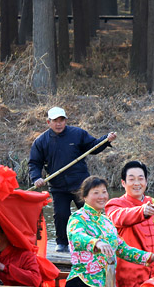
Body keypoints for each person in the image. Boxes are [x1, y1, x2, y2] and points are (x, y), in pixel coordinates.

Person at [66, 175, 154, 287]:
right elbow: (76, 236)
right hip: (83, 282)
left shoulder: (106, 221)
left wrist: (151, 257)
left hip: (106, 284)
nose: (101, 196)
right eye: (96, 193)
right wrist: (97, 243)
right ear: (84, 196)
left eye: (104, 192)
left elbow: (122, 248)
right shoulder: (78, 218)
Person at [28, 106, 118, 253]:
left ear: (66, 121)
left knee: (89, 212)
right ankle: (62, 243)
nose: (59, 124)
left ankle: (98, 240)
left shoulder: (77, 134)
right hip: (58, 186)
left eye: (61, 120)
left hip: (81, 185)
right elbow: (34, 163)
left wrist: (105, 140)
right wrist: (36, 177)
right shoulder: (41, 141)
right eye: (55, 121)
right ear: (48, 122)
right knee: (61, 214)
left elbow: (93, 147)